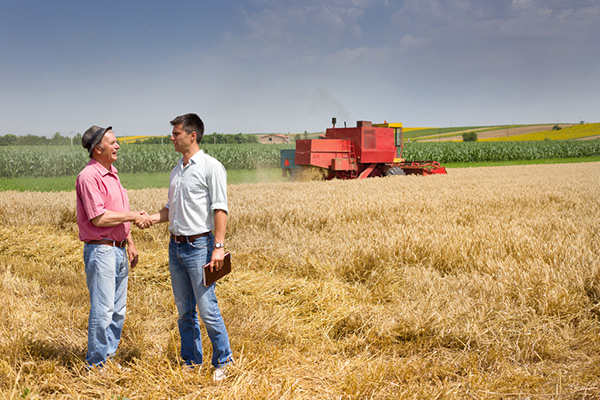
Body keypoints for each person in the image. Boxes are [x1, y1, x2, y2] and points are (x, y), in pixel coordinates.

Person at [144, 113, 233, 381]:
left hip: (199, 247)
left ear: (192, 136)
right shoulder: (176, 171)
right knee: (184, 310)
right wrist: (151, 219)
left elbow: (220, 208)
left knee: (207, 308)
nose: (172, 138)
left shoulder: (210, 167)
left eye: (176, 134)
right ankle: (191, 361)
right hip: (176, 247)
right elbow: (171, 209)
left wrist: (218, 247)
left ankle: (224, 361)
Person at [76, 125, 151, 368]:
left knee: (118, 311)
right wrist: (132, 215)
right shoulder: (89, 177)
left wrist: (129, 241)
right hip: (102, 251)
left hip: (117, 249)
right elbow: (99, 218)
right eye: (113, 142)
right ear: (98, 148)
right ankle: (96, 364)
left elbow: (115, 212)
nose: (118, 146)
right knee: (104, 310)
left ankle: (107, 357)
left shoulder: (112, 173)